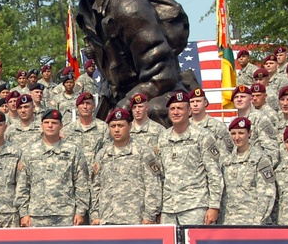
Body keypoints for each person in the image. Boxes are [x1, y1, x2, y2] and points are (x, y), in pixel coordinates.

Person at [56, 0, 188, 121]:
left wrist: (122, 108)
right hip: (123, 97)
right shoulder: (86, 13)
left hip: (159, 95)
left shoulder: (127, 6)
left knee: (150, 113)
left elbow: (163, 74)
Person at [153, 91, 223, 225]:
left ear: (189, 111)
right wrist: (158, 208)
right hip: (168, 209)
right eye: (172, 109)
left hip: (195, 207)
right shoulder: (163, 138)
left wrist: (214, 206)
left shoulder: (203, 136)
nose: (176, 112)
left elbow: (214, 173)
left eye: (180, 108)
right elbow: (160, 176)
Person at [19, 109, 91, 226]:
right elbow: (23, 184)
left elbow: (81, 183)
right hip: (36, 215)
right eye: (47, 122)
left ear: (61, 125)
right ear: (41, 125)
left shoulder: (73, 150)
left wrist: (80, 211)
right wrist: (23, 213)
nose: (50, 126)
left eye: (54, 123)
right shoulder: (30, 151)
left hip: (66, 215)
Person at [90, 107, 161, 225]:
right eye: (113, 126)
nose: (116, 130)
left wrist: (149, 215)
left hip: (134, 219)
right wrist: (95, 214)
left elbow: (153, 185)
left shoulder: (143, 152)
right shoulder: (102, 154)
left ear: (130, 126)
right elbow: (95, 186)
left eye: (121, 125)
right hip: (107, 218)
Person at [219, 117, 276, 225]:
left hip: (251, 222)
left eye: (241, 133)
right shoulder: (226, 161)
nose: (237, 137)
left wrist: (258, 222)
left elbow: (267, 193)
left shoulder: (261, 160)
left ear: (249, 133)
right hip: (228, 222)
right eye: (233, 133)